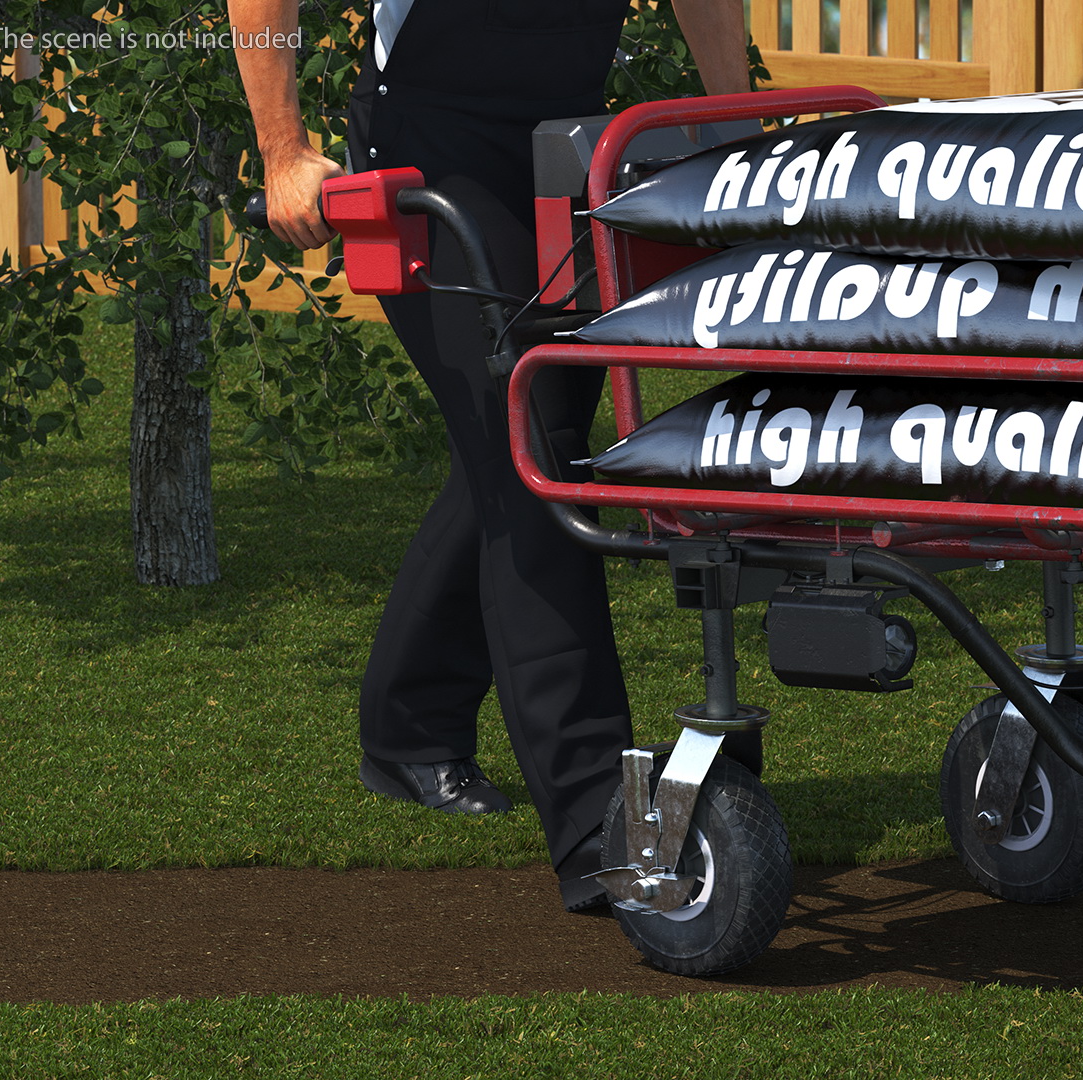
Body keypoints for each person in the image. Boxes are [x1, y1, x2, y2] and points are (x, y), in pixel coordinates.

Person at [229, 0, 750, 914]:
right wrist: (282, 149)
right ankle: (599, 822)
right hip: (432, 144)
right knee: (533, 455)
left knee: (520, 440)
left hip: (570, 142)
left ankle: (409, 724)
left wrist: (735, 117)